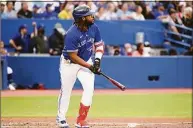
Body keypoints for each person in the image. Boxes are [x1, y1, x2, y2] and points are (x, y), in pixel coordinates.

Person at [56, 5, 104, 128]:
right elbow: (73, 56)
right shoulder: (71, 34)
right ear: (82, 18)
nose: (92, 16)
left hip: (87, 60)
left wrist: (97, 61)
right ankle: (61, 118)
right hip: (69, 64)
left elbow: (99, 45)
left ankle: (81, 120)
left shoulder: (94, 27)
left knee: (89, 89)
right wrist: (89, 66)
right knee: (66, 91)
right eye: (89, 15)